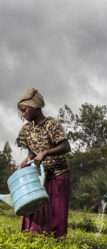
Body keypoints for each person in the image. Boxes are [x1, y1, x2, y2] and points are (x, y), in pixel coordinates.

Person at [16, 88, 71, 238]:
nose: (22, 114)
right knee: (35, 210)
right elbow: (31, 153)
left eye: (24, 109)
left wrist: (46, 152)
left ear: (35, 107)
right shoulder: (26, 130)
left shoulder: (51, 124)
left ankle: (56, 242)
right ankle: (35, 239)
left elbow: (66, 146)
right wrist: (26, 161)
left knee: (56, 213)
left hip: (58, 175)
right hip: (38, 177)